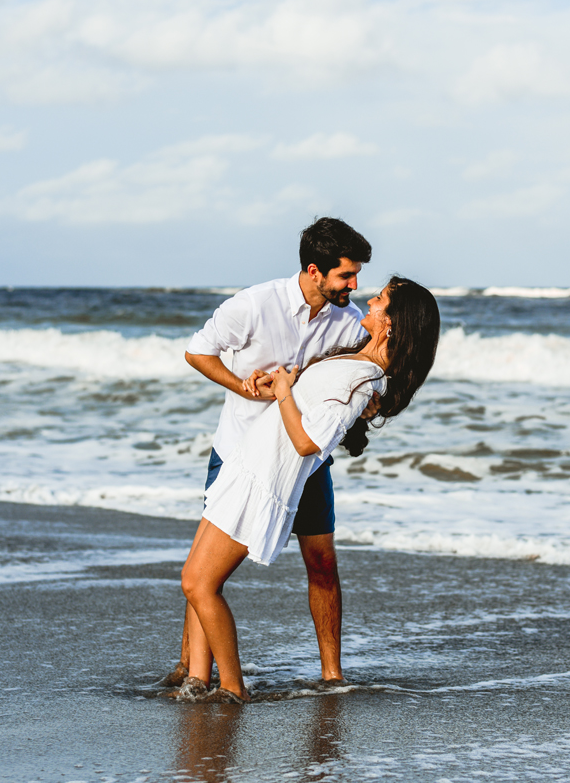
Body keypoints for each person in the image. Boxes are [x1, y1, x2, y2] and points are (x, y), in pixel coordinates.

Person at [180, 277, 441, 701]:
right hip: (245, 463)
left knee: (198, 583)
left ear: (392, 323)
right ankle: (196, 685)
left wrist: (284, 392)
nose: (367, 300)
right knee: (196, 579)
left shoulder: (363, 380)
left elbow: (307, 443)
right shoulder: (357, 363)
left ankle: (232, 689)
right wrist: (283, 384)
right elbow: (315, 407)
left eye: (380, 300)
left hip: (264, 479)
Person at [160, 217, 374, 689]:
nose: (354, 285)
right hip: (240, 454)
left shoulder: (350, 322)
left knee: (322, 563)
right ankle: (190, 670)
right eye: (345, 275)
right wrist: (243, 385)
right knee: (206, 570)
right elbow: (199, 352)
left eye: (356, 275)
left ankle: (332, 675)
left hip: (306, 460)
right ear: (314, 271)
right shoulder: (255, 304)